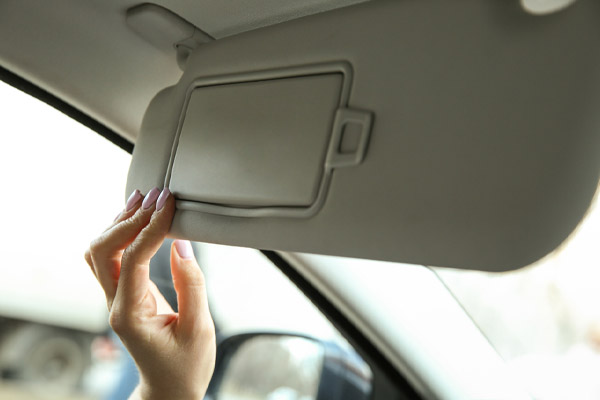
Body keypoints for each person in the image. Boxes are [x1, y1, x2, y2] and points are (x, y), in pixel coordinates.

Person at [84, 187, 216, 400]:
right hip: (163, 331)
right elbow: (199, 298)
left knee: (123, 385)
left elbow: (116, 291)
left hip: (133, 326)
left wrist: (105, 329)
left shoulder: (134, 237)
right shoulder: (183, 241)